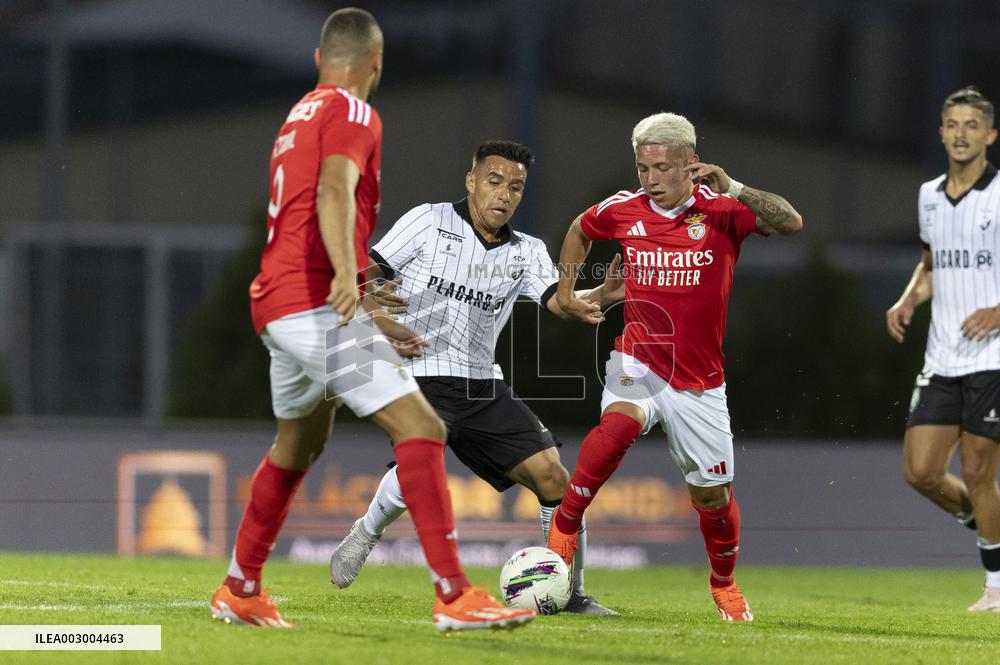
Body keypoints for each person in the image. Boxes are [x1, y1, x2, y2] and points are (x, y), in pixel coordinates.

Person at [209, 8, 534, 633]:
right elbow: (334, 192)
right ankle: (453, 595)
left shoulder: (297, 116)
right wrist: (347, 284)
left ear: (318, 61)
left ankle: (240, 587)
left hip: (278, 303)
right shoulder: (355, 112)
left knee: (299, 442)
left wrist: (355, 296)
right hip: (315, 303)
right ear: (376, 64)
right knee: (420, 426)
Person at [328, 140, 623, 615]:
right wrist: (372, 310)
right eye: (494, 181)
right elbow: (357, 279)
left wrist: (605, 295)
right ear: (471, 182)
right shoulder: (428, 221)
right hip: (419, 373)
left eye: (516, 187)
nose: (504, 194)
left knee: (553, 479)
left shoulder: (527, 251)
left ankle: (570, 593)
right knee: (416, 473)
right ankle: (367, 531)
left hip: (482, 383)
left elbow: (560, 302)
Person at [544, 112, 803, 623]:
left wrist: (737, 186)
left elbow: (790, 221)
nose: (651, 180)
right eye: (643, 169)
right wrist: (568, 293)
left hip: (700, 383)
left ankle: (724, 584)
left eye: (662, 168)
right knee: (617, 425)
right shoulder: (624, 209)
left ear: (691, 163)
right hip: (637, 357)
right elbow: (579, 228)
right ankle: (564, 527)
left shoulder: (724, 209)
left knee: (711, 497)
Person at [886, 86, 1000, 612]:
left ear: (990, 135)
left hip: (993, 358)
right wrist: (909, 298)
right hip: (942, 357)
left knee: (979, 472)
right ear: (940, 132)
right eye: (952, 124)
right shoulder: (929, 194)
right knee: (920, 471)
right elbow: (933, 263)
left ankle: (996, 586)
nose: (960, 134)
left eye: (971, 125)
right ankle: (993, 530)